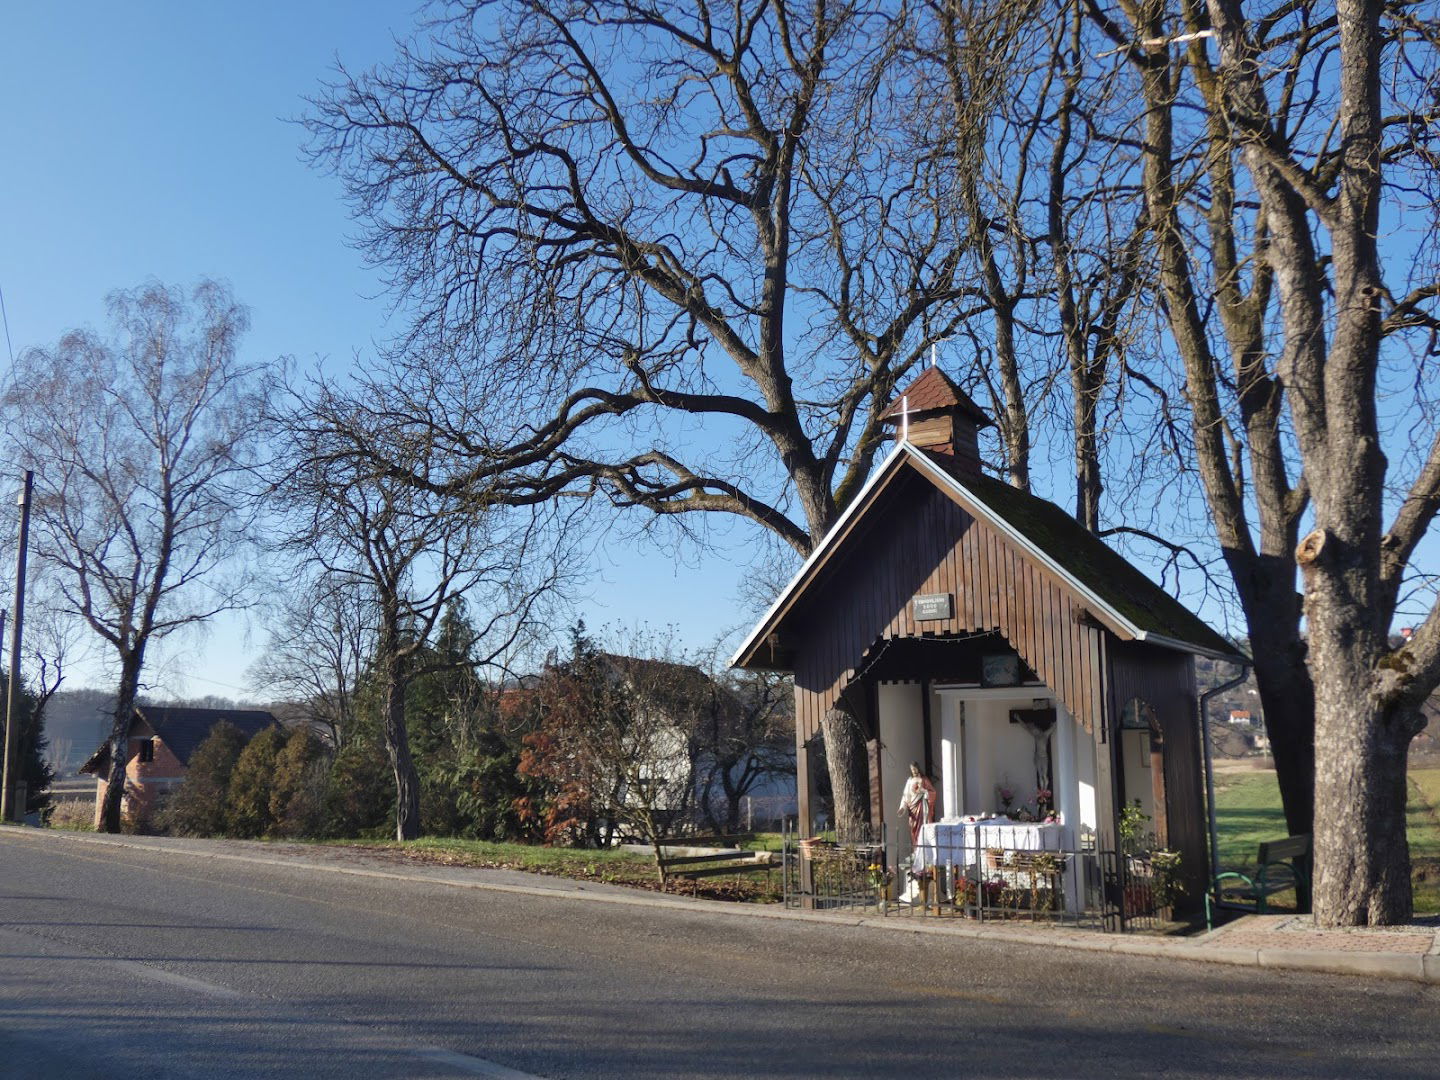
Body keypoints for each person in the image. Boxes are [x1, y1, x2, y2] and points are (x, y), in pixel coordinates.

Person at [897, 761, 937, 845]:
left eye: (915, 769)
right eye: (912, 769)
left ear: (918, 768)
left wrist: (925, 792)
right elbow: (905, 796)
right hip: (913, 809)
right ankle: (916, 851)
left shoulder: (924, 779)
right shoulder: (909, 781)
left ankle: (924, 848)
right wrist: (902, 808)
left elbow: (933, 792)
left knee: (923, 828)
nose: (914, 771)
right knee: (913, 829)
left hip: (922, 807)